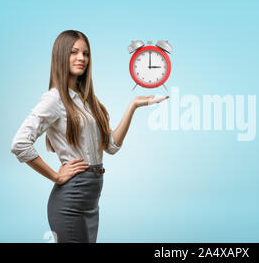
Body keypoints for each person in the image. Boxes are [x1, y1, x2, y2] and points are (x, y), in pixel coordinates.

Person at [10, 30, 168, 243]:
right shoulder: (54, 98)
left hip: (90, 198)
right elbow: (20, 143)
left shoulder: (87, 102)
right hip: (72, 198)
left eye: (85, 54)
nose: (81, 58)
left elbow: (111, 146)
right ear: (60, 56)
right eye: (74, 52)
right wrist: (55, 176)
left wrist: (133, 106)